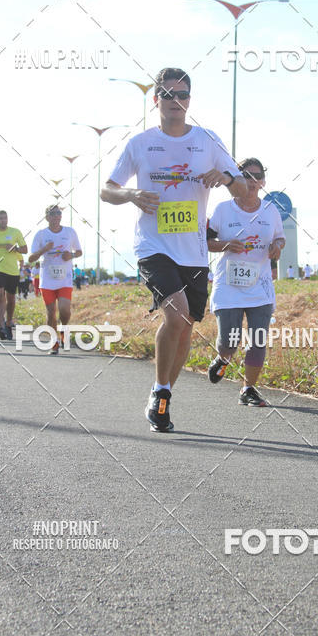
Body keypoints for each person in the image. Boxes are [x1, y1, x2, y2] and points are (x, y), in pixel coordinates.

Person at [101, 66, 246, 432]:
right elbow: (107, 189)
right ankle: (161, 390)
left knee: (187, 326)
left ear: (189, 101)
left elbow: (244, 188)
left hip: (194, 251)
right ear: (156, 100)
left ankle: (162, 391)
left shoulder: (207, 141)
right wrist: (132, 194)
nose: (176, 102)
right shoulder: (141, 144)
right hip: (154, 245)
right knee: (177, 314)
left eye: (182, 95)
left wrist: (226, 178)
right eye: (168, 95)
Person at [206, 157, 285, 407]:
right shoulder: (222, 210)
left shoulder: (271, 211)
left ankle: (248, 389)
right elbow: (204, 241)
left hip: (259, 285)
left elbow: (280, 239)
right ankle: (223, 359)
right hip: (229, 284)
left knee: (258, 338)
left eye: (257, 176)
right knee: (229, 341)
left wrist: (277, 247)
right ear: (237, 180)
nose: (252, 182)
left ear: (263, 181)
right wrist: (226, 245)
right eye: (246, 176)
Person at [29, 205, 82, 354]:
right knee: (51, 312)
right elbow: (31, 258)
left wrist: (70, 255)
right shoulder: (40, 234)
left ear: (61, 216)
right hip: (47, 279)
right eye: (52, 214)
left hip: (64, 278)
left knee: (64, 310)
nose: (56, 216)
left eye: (58, 213)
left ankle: (63, 332)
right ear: (46, 217)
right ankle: (54, 342)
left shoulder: (70, 232)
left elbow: (79, 252)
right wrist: (44, 250)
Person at [0, 210, 27, 341]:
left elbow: (25, 250)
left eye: (5, 218)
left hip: (12, 271)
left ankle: (8, 323)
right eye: (0, 218)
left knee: (11, 299)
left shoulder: (15, 232)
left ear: (7, 219)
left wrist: (15, 248)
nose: (3, 220)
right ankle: (1, 326)